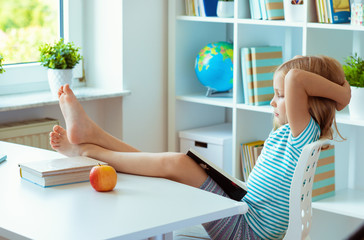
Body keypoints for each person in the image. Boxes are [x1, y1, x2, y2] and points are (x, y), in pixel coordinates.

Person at [49, 55, 351, 240]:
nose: (273, 102)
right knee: (165, 164)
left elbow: (297, 78)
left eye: (280, 95)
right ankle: (93, 135)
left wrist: (342, 95)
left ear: (307, 99)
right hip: (245, 212)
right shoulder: (290, 132)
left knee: (177, 165)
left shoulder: (304, 132)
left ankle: (88, 150)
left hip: (247, 231)